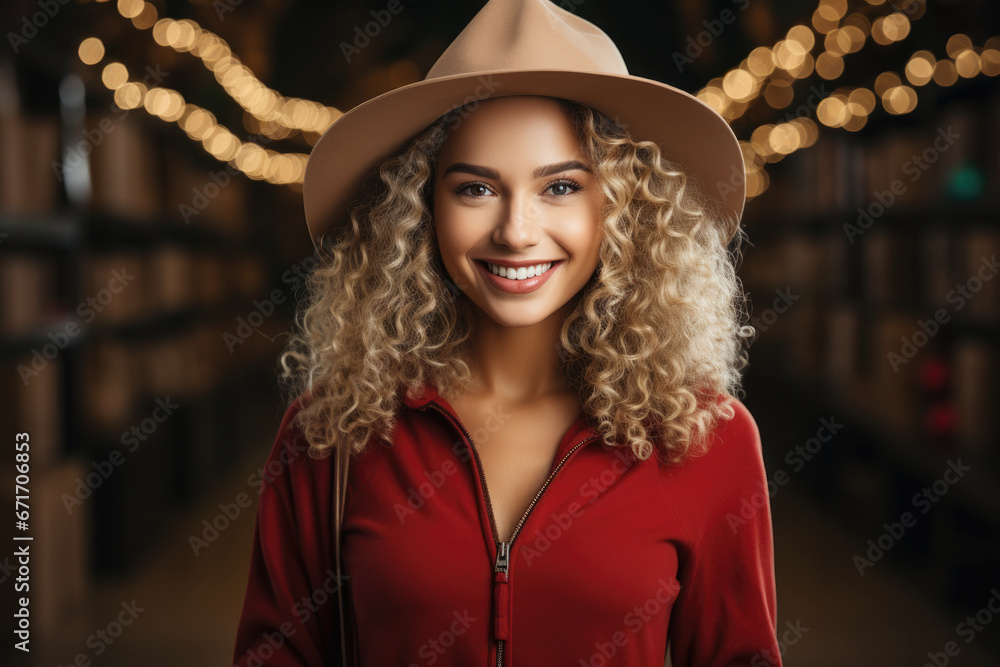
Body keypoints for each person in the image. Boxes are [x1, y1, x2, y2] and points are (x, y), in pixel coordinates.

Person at [233, 1, 781, 665]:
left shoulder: (705, 437)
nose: (516, 231)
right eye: (475, 189)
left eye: (560, 188)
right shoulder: (330, 433)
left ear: (622, 207)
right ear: (419, 209)